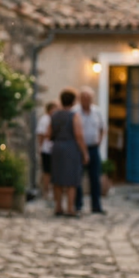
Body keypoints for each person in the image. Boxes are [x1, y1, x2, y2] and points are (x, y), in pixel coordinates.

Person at [45, 88, 89, 217]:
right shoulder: (74, 116)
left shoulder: (54, 115)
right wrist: (85, 153)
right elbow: (79, 135)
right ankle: (70, 208)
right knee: (71, 179)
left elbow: (48, 134)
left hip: (57, 147)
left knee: (57, 178)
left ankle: (58, 207)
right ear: (74, 101)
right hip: (71, 147)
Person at [74, 87, 107, 215]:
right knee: (78, 176)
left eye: (88, 98)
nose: (86, 100)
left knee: (95, 177)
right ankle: (78, 204)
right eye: (84, 98)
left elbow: (102, 128)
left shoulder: (97, 112)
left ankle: (96, 205)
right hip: (79, 148)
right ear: (80, 99)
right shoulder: (75, 112)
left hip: (93, 147)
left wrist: (99, 141)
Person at [37, 101, 60, 202]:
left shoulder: (52, 119)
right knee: (47, 171)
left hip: (53, 149)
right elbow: (41, 134)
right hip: (47, 149)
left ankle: (50, 190)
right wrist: (40, 147)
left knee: (52, 171)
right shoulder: (45, 119)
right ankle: (45, 190)